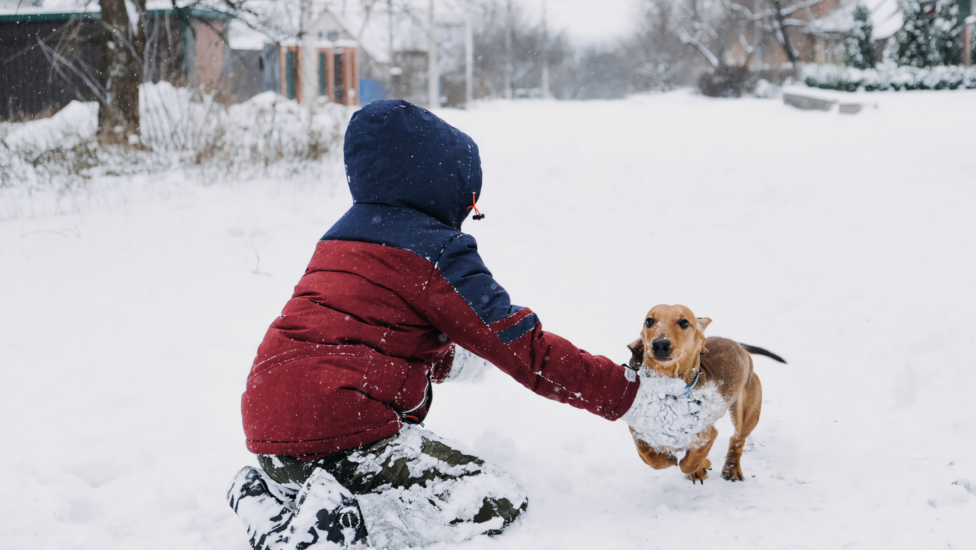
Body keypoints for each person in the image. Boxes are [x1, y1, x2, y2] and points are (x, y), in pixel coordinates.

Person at [227, 100, 711, 550]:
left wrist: (450, 359)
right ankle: (337, 532)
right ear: (450, 187)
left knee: (322, 467)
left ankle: (266, 500)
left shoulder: (340, 238)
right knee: (490, 498)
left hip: (268, 430)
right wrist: (633, 398)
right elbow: (529, 350)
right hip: (344, 432)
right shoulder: (437, 249)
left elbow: (367, 332)